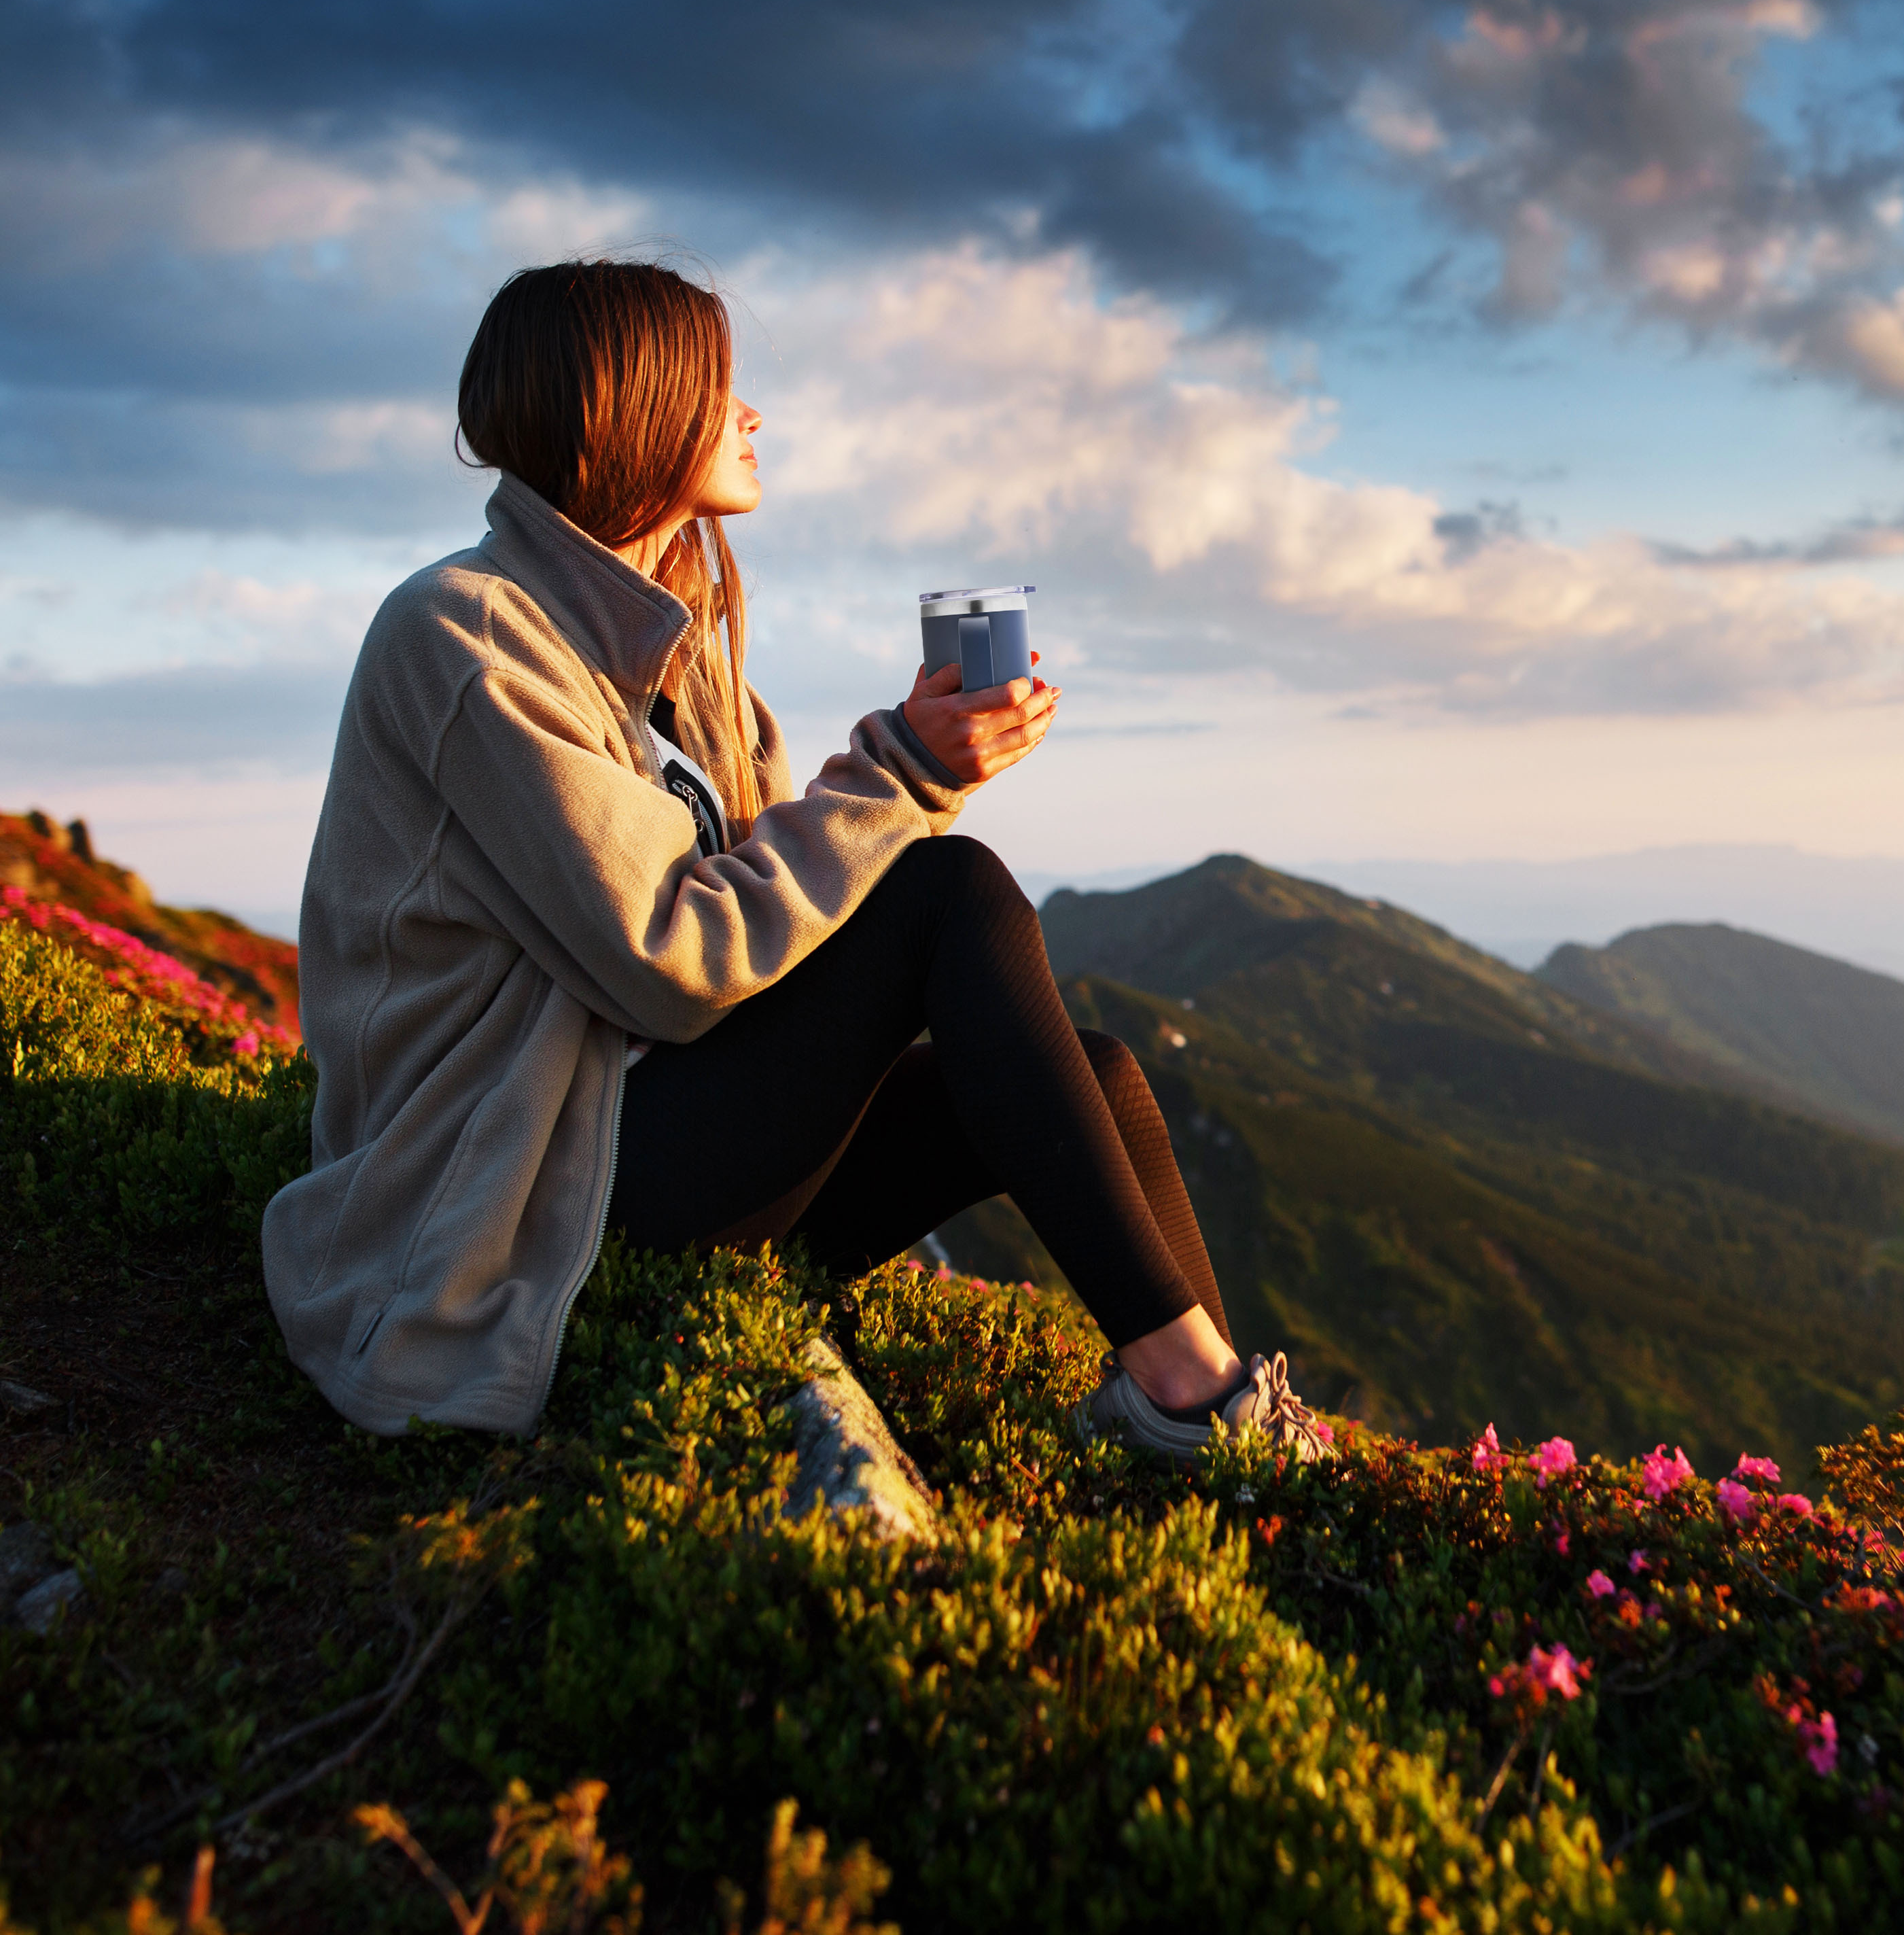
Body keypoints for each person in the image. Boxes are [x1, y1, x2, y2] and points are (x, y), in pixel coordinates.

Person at [260, 258, 1324, 1462]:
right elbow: (668, 959)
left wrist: (915, 763)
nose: (752, 417)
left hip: (646, 1146)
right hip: (516, 1203)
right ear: (639, 406)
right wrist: (905, 778)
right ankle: (1195, 1402)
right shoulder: (463, 633)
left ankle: (1224, 1434)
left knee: (1101, 1075)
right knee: (949, 890)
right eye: (723, 391)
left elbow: (779, 931)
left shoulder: (686, 657)